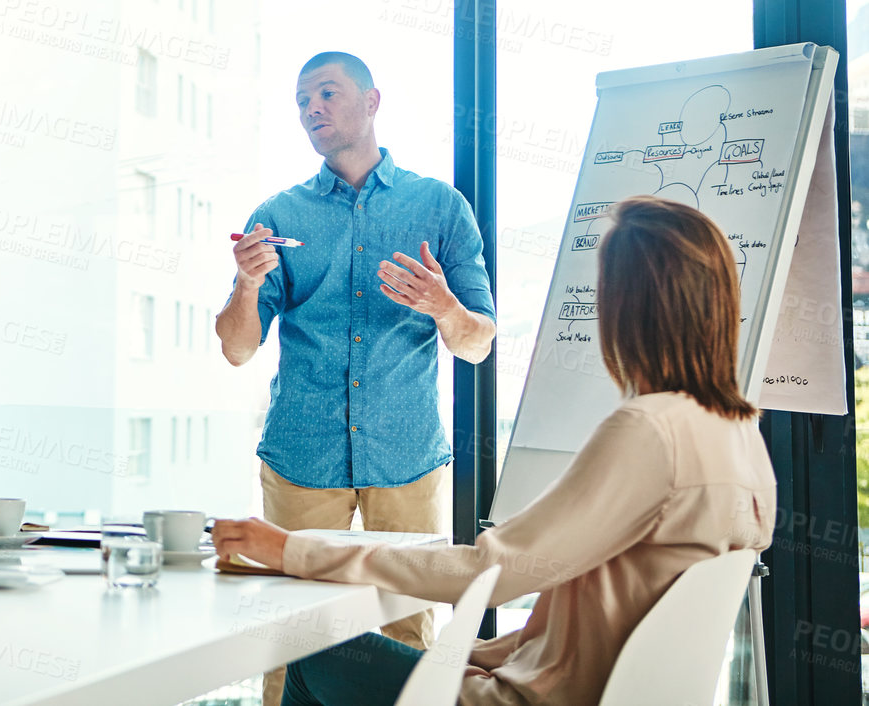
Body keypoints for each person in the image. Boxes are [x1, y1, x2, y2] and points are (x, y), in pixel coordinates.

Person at [212, 195, 777, 706]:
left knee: (309, 654)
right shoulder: (741, 436)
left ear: (627, 305)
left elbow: (491, 571)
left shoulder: (649, 431)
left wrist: (294, 551)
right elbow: (583, 633)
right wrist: (471, 655)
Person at [216, 51, 497, 678]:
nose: (311, 109)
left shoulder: (440, 207)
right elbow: (237, 348)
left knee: (406, 633)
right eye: (301, 101)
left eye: (326, 93)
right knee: (292, 639)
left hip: (407, 459)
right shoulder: (279, 217)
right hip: (300, 459)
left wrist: (443, 305)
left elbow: (477, 342)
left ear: (371, 102)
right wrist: (243, 285)